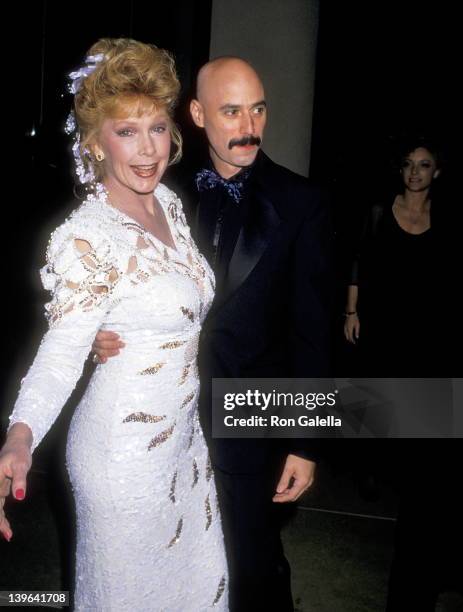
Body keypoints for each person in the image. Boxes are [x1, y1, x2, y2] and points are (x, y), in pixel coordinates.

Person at [94, 56, 333, 611]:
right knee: (176, 559)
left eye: (258, 109)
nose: (249, 126)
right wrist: (97, 335)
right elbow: (109, 284)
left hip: (253, 414)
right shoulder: (160, 194)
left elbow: (312, 329)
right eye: (231, 111)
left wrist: (305, 441)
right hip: (165, 412)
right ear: (198, 114)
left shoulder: (303, 204)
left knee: (252, 560)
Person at [0, 38, 228, 611]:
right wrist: (21, 436)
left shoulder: (169, 204)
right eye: (127, 131)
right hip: (121, 458)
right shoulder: (87, 237)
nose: (147, 149)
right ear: (96, 143)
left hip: (183, 445)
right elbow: (60, 352)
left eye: (156, 127)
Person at [343, 136, 450, 375]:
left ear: (436, 172)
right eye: (408, 163)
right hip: (378, 319)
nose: (414, 171)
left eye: (424, 165)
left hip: (423, 324)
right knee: (369, 399)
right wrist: (351, 313)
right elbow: (357, 263)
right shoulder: (379, 211)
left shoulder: (442, 218)